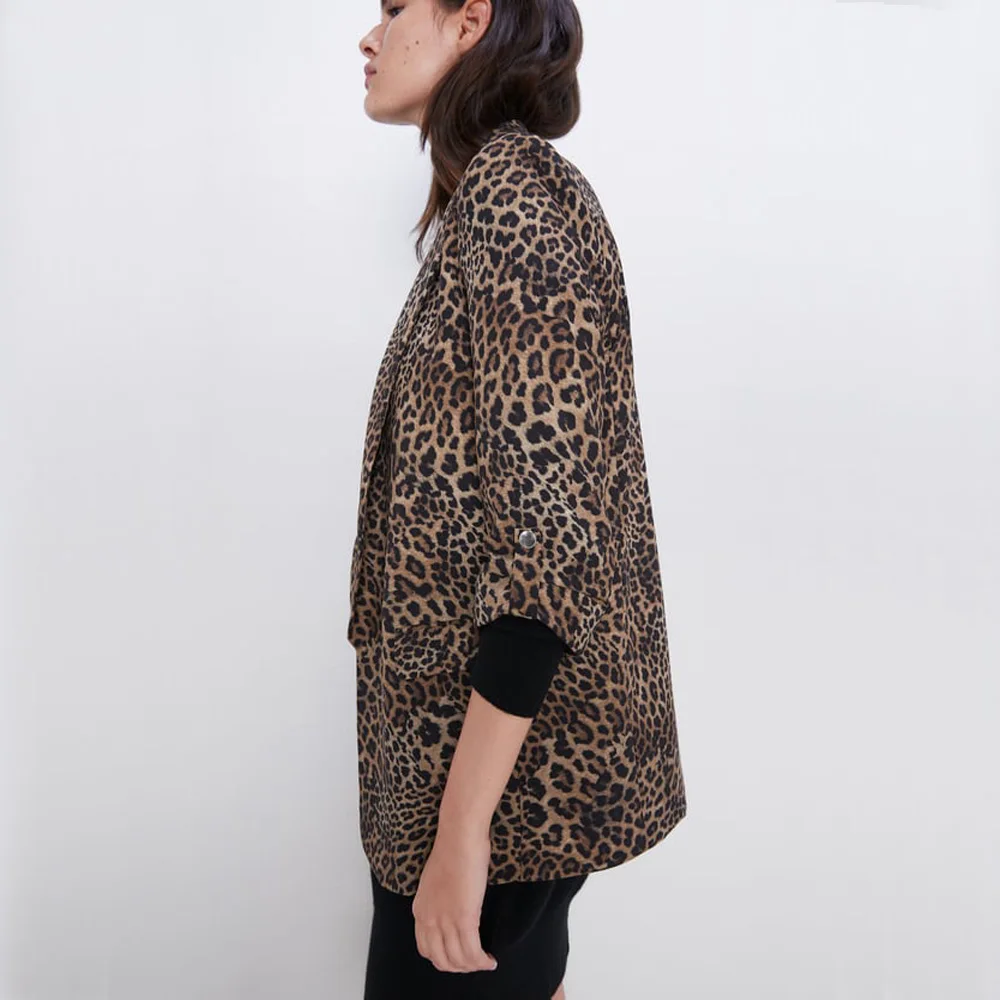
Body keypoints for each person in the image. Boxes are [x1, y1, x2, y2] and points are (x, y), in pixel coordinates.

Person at [352, 2, 688, 997]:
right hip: (465, 780)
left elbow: (548, 547)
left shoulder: (516, 196)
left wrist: (463, 835)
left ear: (470, 21)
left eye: (393, 9)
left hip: (503, 801)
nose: (369, 38)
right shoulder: (485, 205)